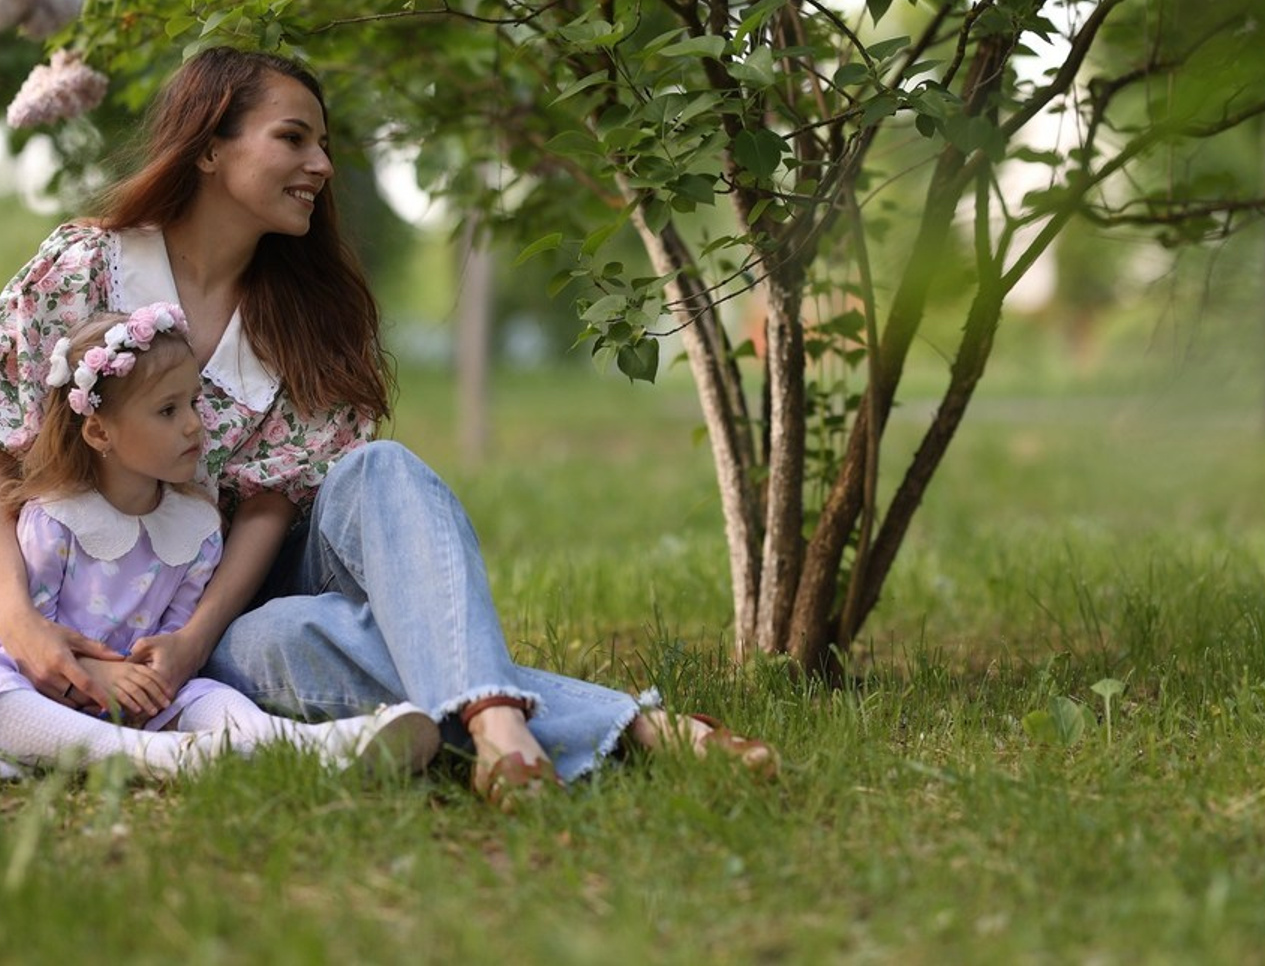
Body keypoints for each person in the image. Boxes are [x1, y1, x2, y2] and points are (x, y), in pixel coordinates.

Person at [0, 46, 775, 805]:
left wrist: (196, 636)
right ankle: (635, 728)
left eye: (325, 144)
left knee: (383, 468)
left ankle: (499, 733)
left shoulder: (308, 314)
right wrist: (21, 624)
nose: (323, 166)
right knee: (298, 643)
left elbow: (272, 504)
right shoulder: (82, 271)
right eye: (293, 138)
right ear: (208, 148)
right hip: (179, 626)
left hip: (231, 597)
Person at [0, 303, 440, 779]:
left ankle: (313, 745)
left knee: (211, 696)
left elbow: (175, 630)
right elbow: (37, 634)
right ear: (99, 430)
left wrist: (156, 672)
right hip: (49, 685)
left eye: (193, 403)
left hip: (143, 694)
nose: (193, 424)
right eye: (168, 410)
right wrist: (95, 676)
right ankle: (159, 758)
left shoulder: (197, 529)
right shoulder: (56, 517)